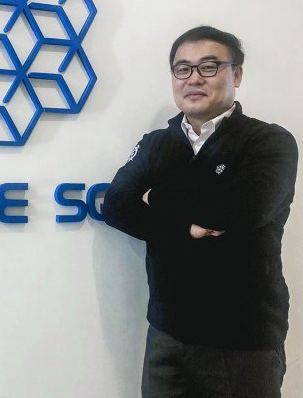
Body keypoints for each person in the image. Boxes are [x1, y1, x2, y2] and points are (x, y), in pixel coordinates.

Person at [102, 26, 298, 397]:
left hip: (243, 339)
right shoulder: (156, 144)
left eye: (209, 66)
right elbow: (115, 205)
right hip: (166, 334)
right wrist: (185, 228)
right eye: (183, 68)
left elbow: (243, 210)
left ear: (236, 74)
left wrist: (157, 197)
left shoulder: (269, 141)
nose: (193, 78)